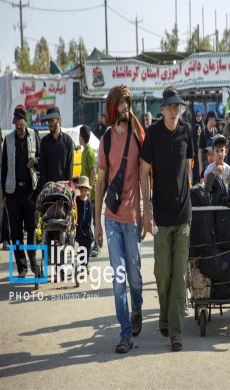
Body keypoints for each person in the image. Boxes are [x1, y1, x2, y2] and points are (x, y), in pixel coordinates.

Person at [140, 86, 193, 352]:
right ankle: (165, 311)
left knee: (180, 275)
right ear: (162, 110)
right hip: (160, 216)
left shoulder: (186, 130)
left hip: (183, 215)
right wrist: (147, 211)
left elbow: (189, 164)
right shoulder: (152, 134)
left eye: (178, 107)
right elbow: (144, 172)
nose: (175, 111)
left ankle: (175, 330)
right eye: (170, 107)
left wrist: (189, 190)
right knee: (163, 273)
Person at [95, 84, 145, 353]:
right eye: (122, 103)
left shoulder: (138, 135)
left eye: (128, 103)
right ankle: (125, 333)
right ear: (113, 108)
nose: (126, 108)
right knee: (118, 281)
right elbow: (100, 184)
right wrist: (96, 223)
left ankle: (137, 308)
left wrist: (148, 214)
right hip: (112, 219)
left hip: (133, 219)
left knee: (135, 279)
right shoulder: (104, 141)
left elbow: (147, 175)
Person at [1, 104, 41, 278]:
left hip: (30, 192)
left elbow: (41, 157)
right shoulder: (9, 140)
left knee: (32, 230)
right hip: (13, 193)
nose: (18, 126)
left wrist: (35, 161)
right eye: (15, 123)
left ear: (25, 121)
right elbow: (3, 168)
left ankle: (32, 259)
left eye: (20, 122)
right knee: (16, 233)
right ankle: (22, 268)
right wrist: (4, 195)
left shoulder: (34, 135)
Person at [38, 106, 74, 189]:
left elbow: (69, 168)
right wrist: (44, 188)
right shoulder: (44, 142)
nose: (49, 123)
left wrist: (68, 189)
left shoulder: (68, 141)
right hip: (48, 189)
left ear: (58, 119)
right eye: (48, 121)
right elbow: (42, 168)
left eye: (51, 120)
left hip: (63, 190)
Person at [79, 125, 100, 257]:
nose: (79, 138)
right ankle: (88, 243)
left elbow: (93, 172)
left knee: (95, 219)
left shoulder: (90, 152)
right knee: (86, 219)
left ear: (82, 137)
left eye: (79, 136)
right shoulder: (84, 151)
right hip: (86, 192)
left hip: (93, 192)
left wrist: (89, 189)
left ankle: (97, 245)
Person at [76, 176, 94, 271]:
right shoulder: (76, 200)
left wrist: (86, 229)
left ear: (88, 190)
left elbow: (89, 217)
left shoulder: (89, 202)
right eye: (81, 190)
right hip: (79, 229)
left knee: (88, 246)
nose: (83, 192)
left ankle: (86, 263)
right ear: (79, 189)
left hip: (87, 230)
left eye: (85, 190)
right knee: (81, 247)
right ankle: (82, 265)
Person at [198, 110, 218, 175]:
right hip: (206, 164)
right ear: (210, 119)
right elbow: (200, 150)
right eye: (215, 120)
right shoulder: (203, 133)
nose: (216, 122)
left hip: (215, 164)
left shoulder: (216, 131)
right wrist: (200, 166)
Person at [192, 110, 204, 185]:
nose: (198, 117)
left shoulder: (204, 128)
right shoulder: (193, 126)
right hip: (195, 161)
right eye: (197, 116)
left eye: (200, 116)